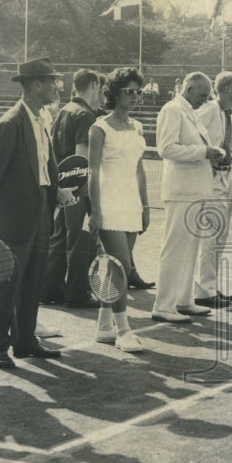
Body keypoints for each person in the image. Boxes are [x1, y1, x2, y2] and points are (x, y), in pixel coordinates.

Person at [0, 58, 74, 370]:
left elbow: (45, 167)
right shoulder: (10, 123)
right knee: (7, 284)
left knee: (32, 280)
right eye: (51, 81)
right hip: (12, 218)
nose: (56, 87)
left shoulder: (41, 119)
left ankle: (25, 340)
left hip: (41, 212)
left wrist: (54, 191)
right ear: (35, 85)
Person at [151, 73, 226, 322]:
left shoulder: (192, 111)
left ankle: (183, 300)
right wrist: (204, 152)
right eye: (202, 95)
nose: (204, 100)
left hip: (196, 190)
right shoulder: (172, 110)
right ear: (189, 88)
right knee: (174, 249)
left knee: (190, 249)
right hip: (181, 191)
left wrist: (212, 153)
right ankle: (163, 305)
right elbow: (166, 148)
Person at [87, 68, 149, 353]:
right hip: (109, 204)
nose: (135, 97)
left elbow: (139, 169)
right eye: (129, 91)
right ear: (115, 93)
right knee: (120, 266)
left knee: (115, 269)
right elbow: (92, 172)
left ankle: (103, 327)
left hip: (131, 205)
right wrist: (96, 211)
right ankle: (123, 331)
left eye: (138, 92)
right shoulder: (100, 127)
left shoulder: (137, 127)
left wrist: (145, 205)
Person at [43, 69, 103, 308]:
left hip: (60, 184)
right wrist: (89, 194)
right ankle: (77, 293)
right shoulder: (85, 115)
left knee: (59, 238)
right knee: (80, 239)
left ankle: (49, 289)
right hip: (77, 186)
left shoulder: (63, 111)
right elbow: (82, 157)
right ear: (95, 85)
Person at [194, 72, 232, 308]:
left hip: (226, 178)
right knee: (210, 236)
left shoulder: (231, 116)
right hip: (211, 178)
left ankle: (211, 286)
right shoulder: (209, 109)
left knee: (221, 236)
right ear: (224, 89)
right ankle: (203, 291)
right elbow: (192, 132)